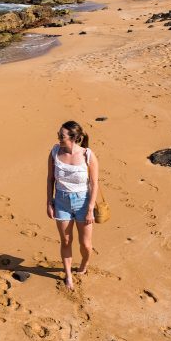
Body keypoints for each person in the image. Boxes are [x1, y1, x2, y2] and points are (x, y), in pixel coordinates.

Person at [46, 121, 98, 290]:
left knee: (86, 245)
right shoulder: (54, 152)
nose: (59, 138)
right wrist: (49, 202)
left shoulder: (88, 155)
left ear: (73, 138)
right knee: (66, 241)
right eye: (58, 135)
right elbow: (50, 179)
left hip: (83, 203)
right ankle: (68, 275)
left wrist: (90, 209)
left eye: (62, 136)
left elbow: (94, 184)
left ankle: (84, 262)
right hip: (61, 201)